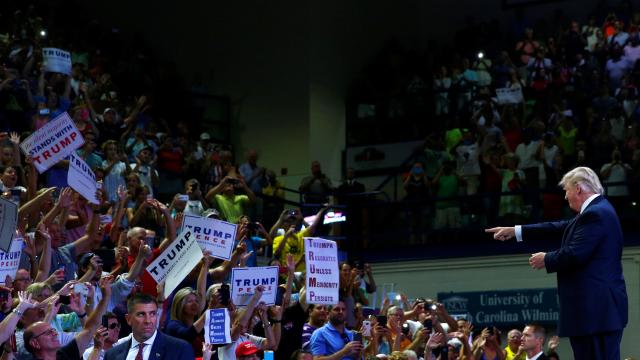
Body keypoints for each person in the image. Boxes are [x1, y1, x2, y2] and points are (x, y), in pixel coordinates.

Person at [486, 167, 628, 360]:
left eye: (566, 190)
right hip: (597, 313)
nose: (565, 197)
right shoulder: (596, 212)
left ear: (578, 188)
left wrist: (546, 258)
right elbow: (559, 227)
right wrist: (517, 230)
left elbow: (576, 254)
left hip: (595, 312)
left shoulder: (596, 214)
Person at [104, 293, 195, 360]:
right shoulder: (112, 355)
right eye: (141, 314)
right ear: (128, 319)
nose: (148, 321)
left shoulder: (180, 349)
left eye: (152, 314)